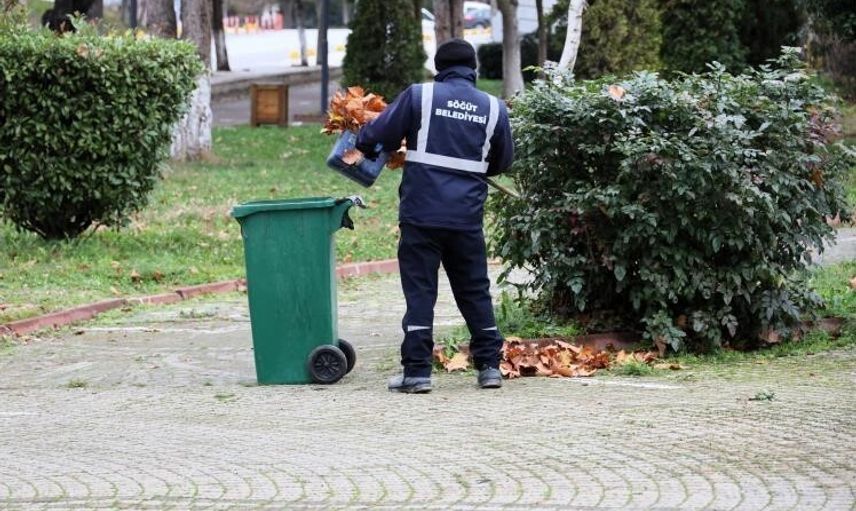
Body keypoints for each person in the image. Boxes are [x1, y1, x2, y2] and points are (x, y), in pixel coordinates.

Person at [356, 38, 514, 393]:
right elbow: (502, 161)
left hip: (421, 214)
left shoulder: (420, 96)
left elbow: (377, 135)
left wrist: (365, 140)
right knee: (474, 290)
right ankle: (490, 368)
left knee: (420, 292)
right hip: (466, 217)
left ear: (439, 68)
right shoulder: (494, 107)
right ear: (473, 69)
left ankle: (417, 373)